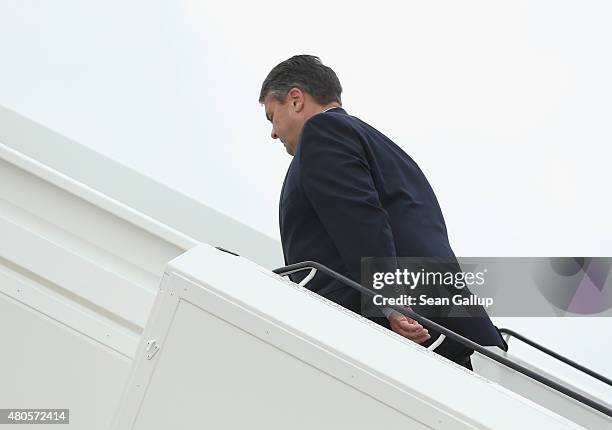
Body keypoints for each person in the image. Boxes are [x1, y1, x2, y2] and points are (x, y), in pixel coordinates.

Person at [259, 55, 506, 370]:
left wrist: (391, 304)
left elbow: (359, 220)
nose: (273, 133)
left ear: (295, 99)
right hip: (437, 321)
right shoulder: (386, 148)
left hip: (384, 328)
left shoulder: (323, 131)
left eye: (271, 117)